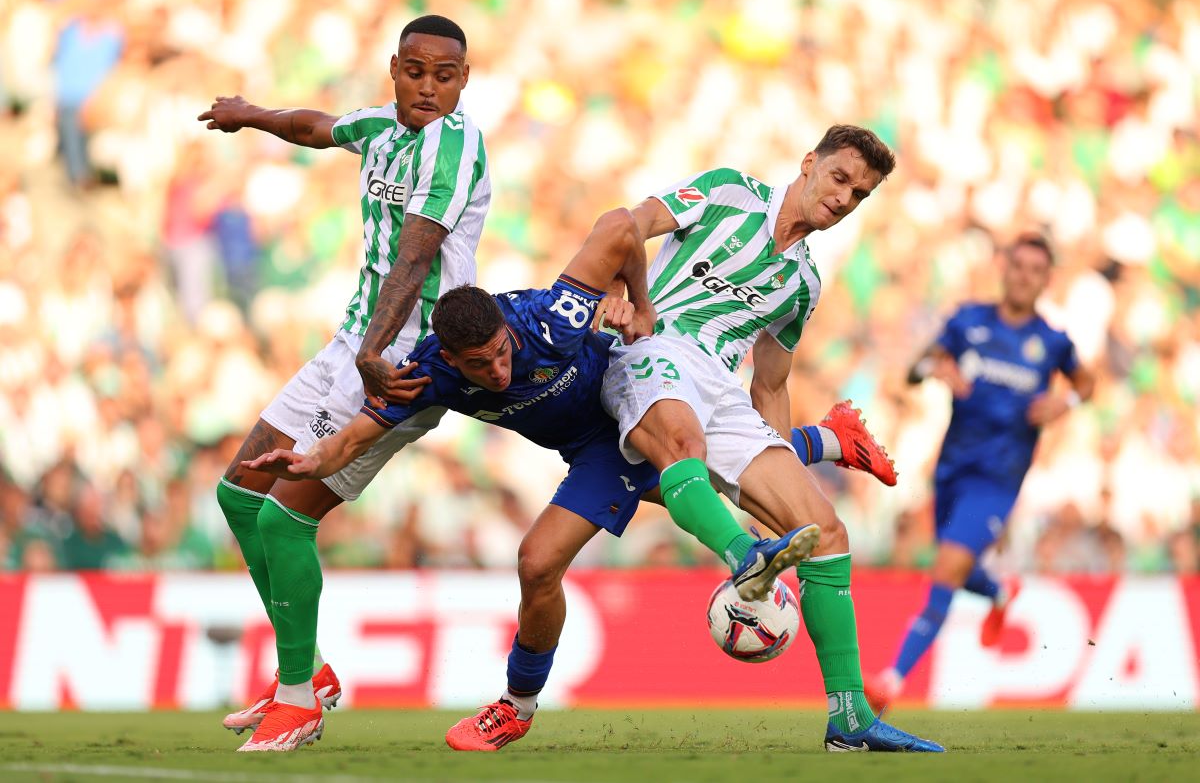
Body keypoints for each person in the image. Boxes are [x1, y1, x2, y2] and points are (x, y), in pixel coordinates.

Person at [245, 210, 900, 752]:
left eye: (502, 352)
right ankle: (833, 439)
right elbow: (354, 437)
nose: (499, 370)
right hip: (592, 450)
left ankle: (520, 702)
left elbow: (620, 229)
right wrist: (308, 463)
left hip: (629, 404)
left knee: (543, 556)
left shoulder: (544, 319)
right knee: (713, 483)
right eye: (481, 364)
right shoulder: (431, 373)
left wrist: (638, 304)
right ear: (449, 358)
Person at [590, 125, 941, 751]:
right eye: (839, 179)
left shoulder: (802, 285)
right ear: (809, 164)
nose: (843, 198)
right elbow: (632, 225)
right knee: (681, 442)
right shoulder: (728, 193)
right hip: (652, 346)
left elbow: (771, 391)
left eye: (859, 194)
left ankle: (850, 715)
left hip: (722, 390)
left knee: (826, 533)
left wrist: (773, 503)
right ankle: (742, 559)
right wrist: (622, 296)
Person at [198, 14, 490, 752]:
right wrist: (250, 116)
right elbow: (316, 125)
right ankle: (311, 671)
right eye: (416, 70)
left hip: (407, 365)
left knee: (283, 517)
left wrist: (372, 350)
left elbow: (415, 260)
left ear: (465, 78)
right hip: (352, 343)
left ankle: (297, 698)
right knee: (238, 494)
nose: (428, 86)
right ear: (394, 69)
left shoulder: (454, 147)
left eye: (445, 75)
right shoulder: (380, 127)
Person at [866, 233, 1095, 712]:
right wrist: (934, 368)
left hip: (999, 478)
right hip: (952, 469)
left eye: (1036, 270)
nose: (1024, 276)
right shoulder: (967, 320)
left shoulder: (1052, 343)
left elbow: (1086, 382)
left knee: (948, 565)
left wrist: (1065, 401)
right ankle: (997, 589)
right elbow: (915, 367)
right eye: (1018, 266)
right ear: (1004, 269)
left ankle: (891, 679)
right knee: (950, 564)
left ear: (1046, 280)